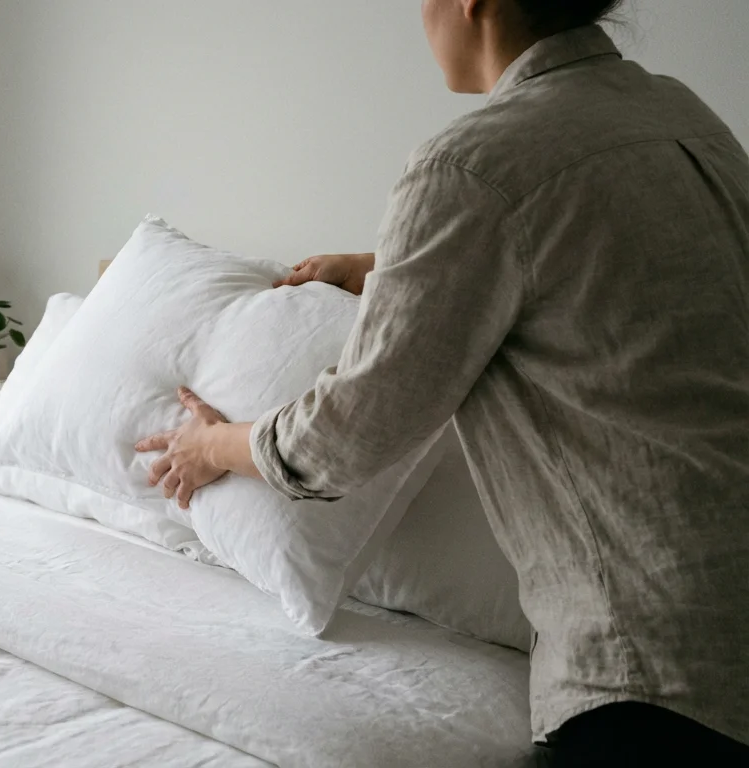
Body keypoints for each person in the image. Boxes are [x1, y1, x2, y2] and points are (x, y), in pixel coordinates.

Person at [135, 0, 749, 765]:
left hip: (648, 671)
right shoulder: (680, 115)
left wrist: (214, 445)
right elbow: (597, 270)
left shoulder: (472, 165)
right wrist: (380, 268)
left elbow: (345, 438)